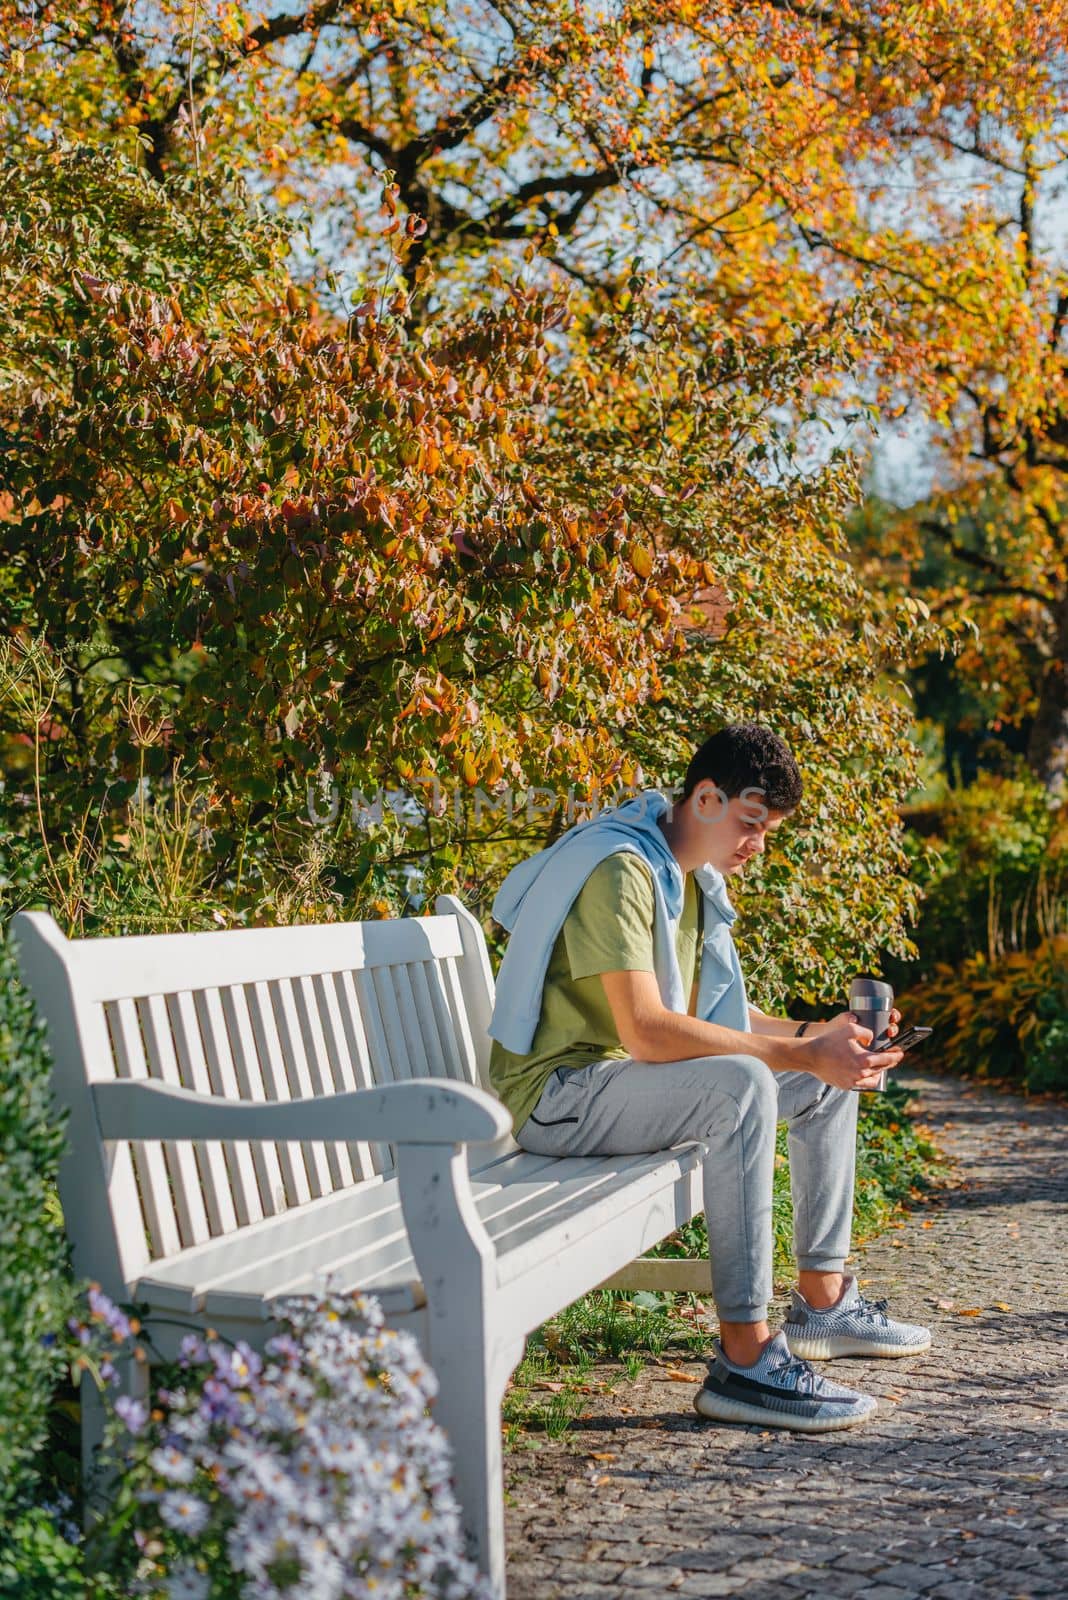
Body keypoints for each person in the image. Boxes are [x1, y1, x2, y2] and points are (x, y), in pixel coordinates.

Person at [486, 722, 931, 1433]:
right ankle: (746, 1360)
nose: (757, 844)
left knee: (821, 1080)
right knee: (744, 1084)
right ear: (705, 797)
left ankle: (823, 1305)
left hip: (617, 1085)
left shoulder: (683, 879)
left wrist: (823, 1042)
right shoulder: (622, 871)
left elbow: (717, 1018)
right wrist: (797, 1052)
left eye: (769, 830)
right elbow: (647, 1029)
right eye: (752, 824)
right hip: (556, 1097)